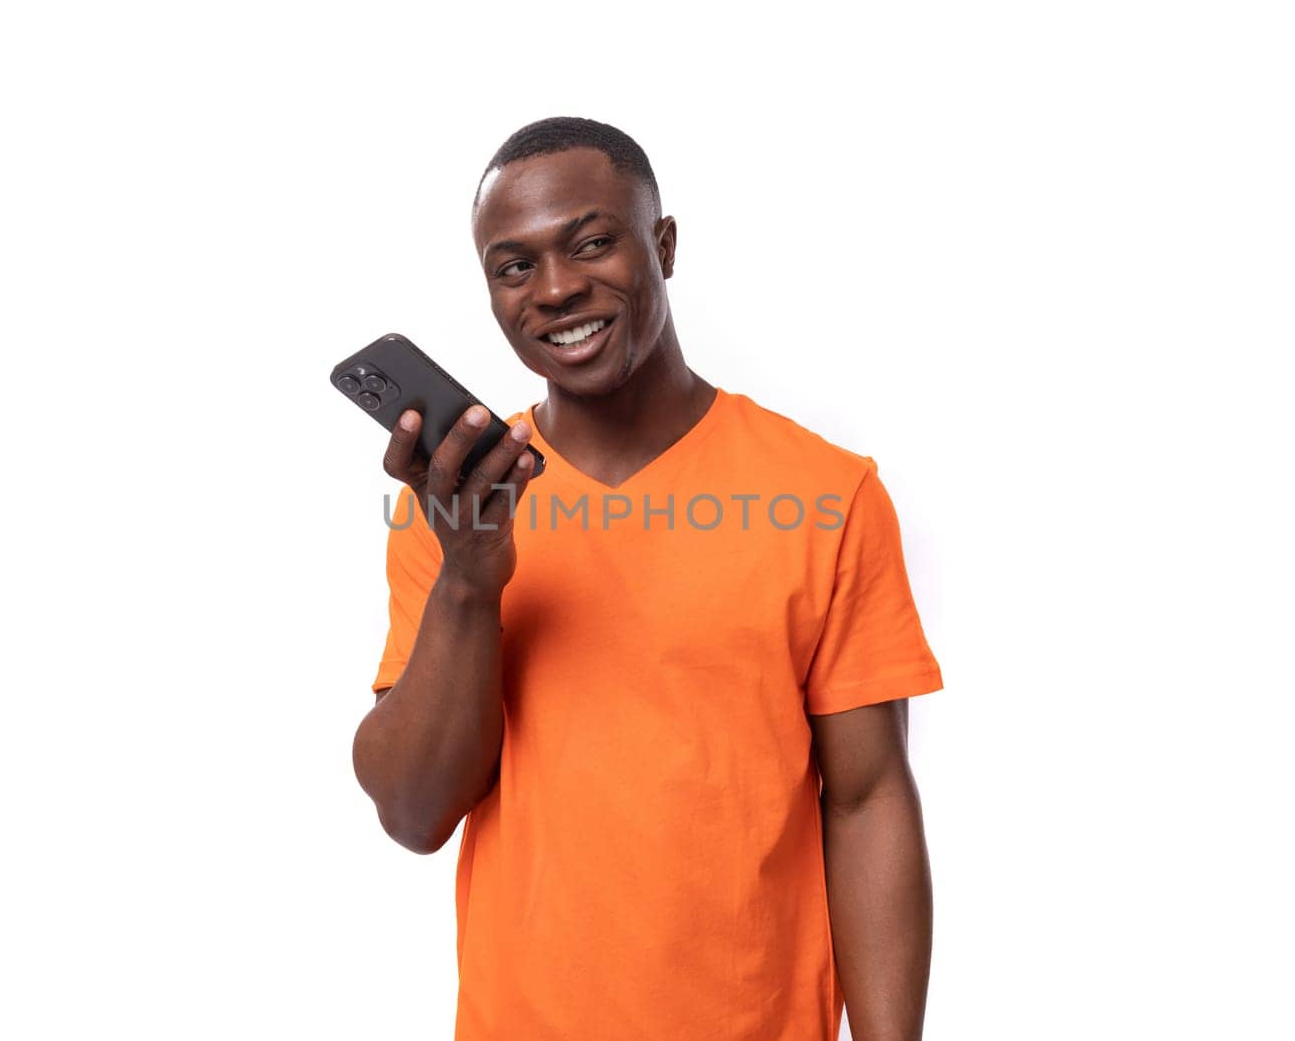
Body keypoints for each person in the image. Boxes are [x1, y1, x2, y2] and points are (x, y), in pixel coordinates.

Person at [352, 117, 944, 1041]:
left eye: (591, 243)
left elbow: (867, 799)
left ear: (663, 245)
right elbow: (414, 811)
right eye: (514, 267)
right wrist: (470, 580)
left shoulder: (826, 494)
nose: (555, 290)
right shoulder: (457, 509)